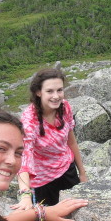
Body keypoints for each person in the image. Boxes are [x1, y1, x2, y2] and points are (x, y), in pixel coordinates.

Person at [12, 68, 87, 210]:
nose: (56, 96)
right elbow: (24, 158)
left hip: (67, 170)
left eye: (60, 90)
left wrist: (82, 173)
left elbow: (71, 141)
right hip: (43, 182)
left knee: (77, 211)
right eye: (50, 91)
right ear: (38, 92)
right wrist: (25, 195)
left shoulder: (64, 107)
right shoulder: (29, 121)